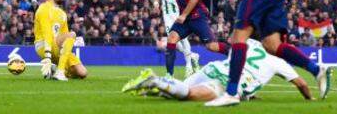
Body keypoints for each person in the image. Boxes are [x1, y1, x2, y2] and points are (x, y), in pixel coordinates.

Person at [122, 39, 313, 101]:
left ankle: (154, 86)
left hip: (214, 68)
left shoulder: (251, 43)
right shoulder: (280, 63)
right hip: (226, 82)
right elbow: (302, 84)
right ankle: (155, 80)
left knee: (176, 92)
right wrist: (310, 99)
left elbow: (229, 50)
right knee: (187, 95)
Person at [162, 0, 230, 76]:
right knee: (172, 39)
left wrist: (183, 15)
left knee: (211, 46)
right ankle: (169, 76)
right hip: (187, 18)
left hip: (196, 17)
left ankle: (236, 53)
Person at [34, 0, 87, 81]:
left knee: (82, 73)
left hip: (57, 47)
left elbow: (64, 36)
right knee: (73, 34)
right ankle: (60, 72)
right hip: (43, 45)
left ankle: (55, 70)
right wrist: (48, 57)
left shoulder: (62, 13)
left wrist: (66, 53)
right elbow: (47, 34)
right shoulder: (43, 9)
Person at [152, 0, 199, 77]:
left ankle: (188, 66)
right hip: (168, 14)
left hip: (180, 11)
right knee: (172, 40)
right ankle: (192, 56)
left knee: (183, 38)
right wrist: (156, 3)